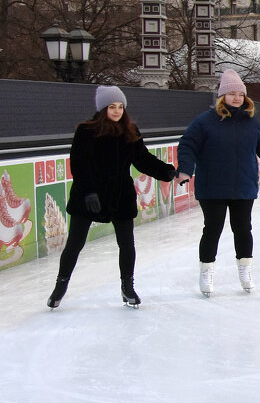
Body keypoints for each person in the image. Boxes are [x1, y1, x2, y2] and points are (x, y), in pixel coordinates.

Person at [47, 86, 178, 309]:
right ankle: (61, 284)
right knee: (75, 243)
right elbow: (79, 164)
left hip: (120, 195)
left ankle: (127, 287)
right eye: (112, 107)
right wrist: (88, 191)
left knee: (127, 243)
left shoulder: (130, 131)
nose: (117, 111)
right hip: (89, 194)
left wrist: (168, 172)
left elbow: (142, 159)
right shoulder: (86, 131)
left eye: (120, 106)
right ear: (102, 109)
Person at [177, 70, 260, 296]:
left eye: (240, 94)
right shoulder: (204, 122)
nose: (236, 98)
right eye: (231, 94)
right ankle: (206, 271)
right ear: (222, 97)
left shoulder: (252, 124)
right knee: (212, 229)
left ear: (245, 98)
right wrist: (184, 170)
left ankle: (245, 270)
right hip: (212, 187)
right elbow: (187, 146)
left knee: (243, 229)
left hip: (243, 185)